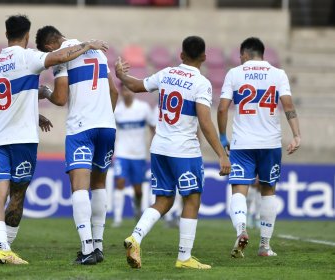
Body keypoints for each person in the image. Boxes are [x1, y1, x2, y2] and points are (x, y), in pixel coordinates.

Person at [0, 15, 109, 265]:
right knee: (17, 195)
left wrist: (34, 111)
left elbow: (7, 97)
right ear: (28, 36)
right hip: (22, 138)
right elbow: (60, 57)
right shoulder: (27, 56)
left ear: (6, 34)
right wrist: (87, 45)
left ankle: (3, 249)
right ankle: (8, 249)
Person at [115, 36, 231, 269]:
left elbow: (137, 86)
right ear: (204, 57)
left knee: (164, 200)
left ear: (181, 55)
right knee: (192, 198)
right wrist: (222, 153)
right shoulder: (201, 83)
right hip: (184, 150)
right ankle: (184, 257)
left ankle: (135, 237)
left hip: (159, 147)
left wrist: (120, 75)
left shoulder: (167, 73)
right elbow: (205, 122)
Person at [36, 25, 118, 265]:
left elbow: (61, 98)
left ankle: (87, 249)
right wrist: (105, 116)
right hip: (107, 126)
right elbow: (113, 91)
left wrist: (46, 92)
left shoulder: (63, 54)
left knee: (79, 186)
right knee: (99, 183)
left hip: (82, 128)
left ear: (49, 46)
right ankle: (99, 245)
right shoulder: (98, 53)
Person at [217, 37, 301, 258]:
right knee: (268, 190)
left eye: (240, 55)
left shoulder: (234, 74)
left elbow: (223, 109)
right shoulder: (278, 74)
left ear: (245, 54)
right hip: (270, 143)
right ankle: (264, 245)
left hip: (242, 144)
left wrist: (222, 137)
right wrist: (296, 135)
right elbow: (288, 105)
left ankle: (241, 229)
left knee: (238, 190)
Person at [112, 84, 155, 228]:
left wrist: (152, 145)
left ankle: (137, 210)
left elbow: (152, 128)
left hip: (139, 154)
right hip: (122, 152)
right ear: (122, 92)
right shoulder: (117, 110)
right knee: (120, 182)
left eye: (130, 89)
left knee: (138, 189)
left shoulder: (143, 108)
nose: (128, 92)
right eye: (125, 89)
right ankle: (117, 218)